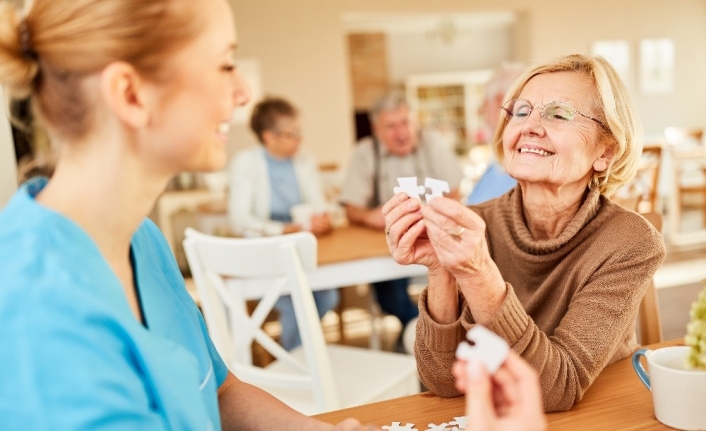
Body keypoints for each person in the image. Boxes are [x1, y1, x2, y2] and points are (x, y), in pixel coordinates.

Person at [0, 0, 370, 429]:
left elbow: (217, 392)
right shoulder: (38, 309)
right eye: (225, 65)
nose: (243, 93)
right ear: (131, 94)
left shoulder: (143, 240)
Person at [382, 53, 666, 412]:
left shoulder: (630, 241)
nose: (530, 125)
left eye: (560, 113)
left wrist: (477, 272)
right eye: (521, 111)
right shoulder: (473, 224)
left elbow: (555, 390)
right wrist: (441, 270)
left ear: (606, 152)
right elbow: (441, 382)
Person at [339, 91, 464, 350]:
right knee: (389, 296)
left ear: (414, 122)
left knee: (458, 281)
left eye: (405, 123)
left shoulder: (432, 143)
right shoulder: (365, 152)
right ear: (377, 129)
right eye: (391, 126)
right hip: (389, 243)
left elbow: (455, 192)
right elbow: (352, 209)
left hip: (436, 237)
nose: (401, 132)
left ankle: (421, 338)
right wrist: (367, 215)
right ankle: (425, 336)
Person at [228, 96, 339, 351]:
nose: (298, 140)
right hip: (265, 251)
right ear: (269, 137)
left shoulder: (304, 160)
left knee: (327, 296)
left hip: (301, 246)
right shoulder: (246, 163)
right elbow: (239, 220)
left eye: (298, 132)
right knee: (295, 304)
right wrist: (281, 229)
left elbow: (319, 202)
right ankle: (299, 361)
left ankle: (302, 361)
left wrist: (322, 216)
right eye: (291, 134)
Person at [465, 63, 525, 205]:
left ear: (501, 102)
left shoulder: (520, 167)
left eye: (485, 105)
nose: (482, 113)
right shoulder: (499, 162)